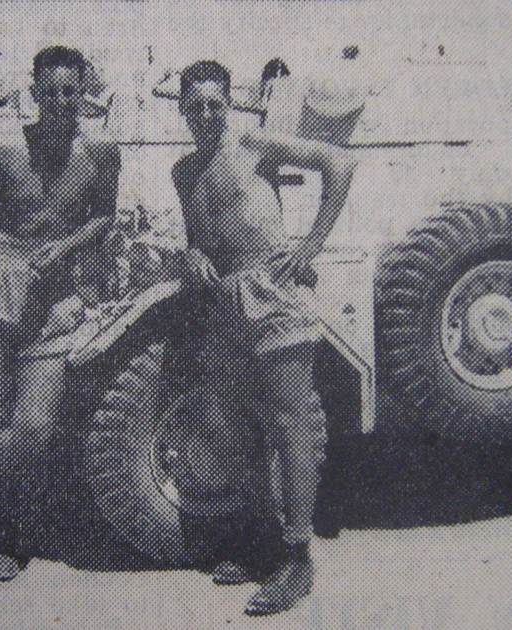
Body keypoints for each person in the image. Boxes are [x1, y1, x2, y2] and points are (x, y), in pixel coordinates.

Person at [172, 60, 356, 616]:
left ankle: (297, 559)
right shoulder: (182, 171)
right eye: (196, 105)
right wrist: (193, 253)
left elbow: (339, 163)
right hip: (225, 299)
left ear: (228, 104)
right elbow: (198, 233)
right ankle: (262, 544)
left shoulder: (252, 142)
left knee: (291, 421)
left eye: (215, 104)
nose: (206, 114)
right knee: (238, 424)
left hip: (271, 289)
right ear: (182, 108)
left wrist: (311, 245)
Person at [0, 45, 120, 582]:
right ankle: (4, 535)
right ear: (34, 94)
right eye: (50, 91)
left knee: (34, 426)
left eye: (72, 91)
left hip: (54, 296)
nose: (62, 102)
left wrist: (68, 253)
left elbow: (104, 215)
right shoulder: (3, 151)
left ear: (84, 94)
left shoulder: (102, 153)